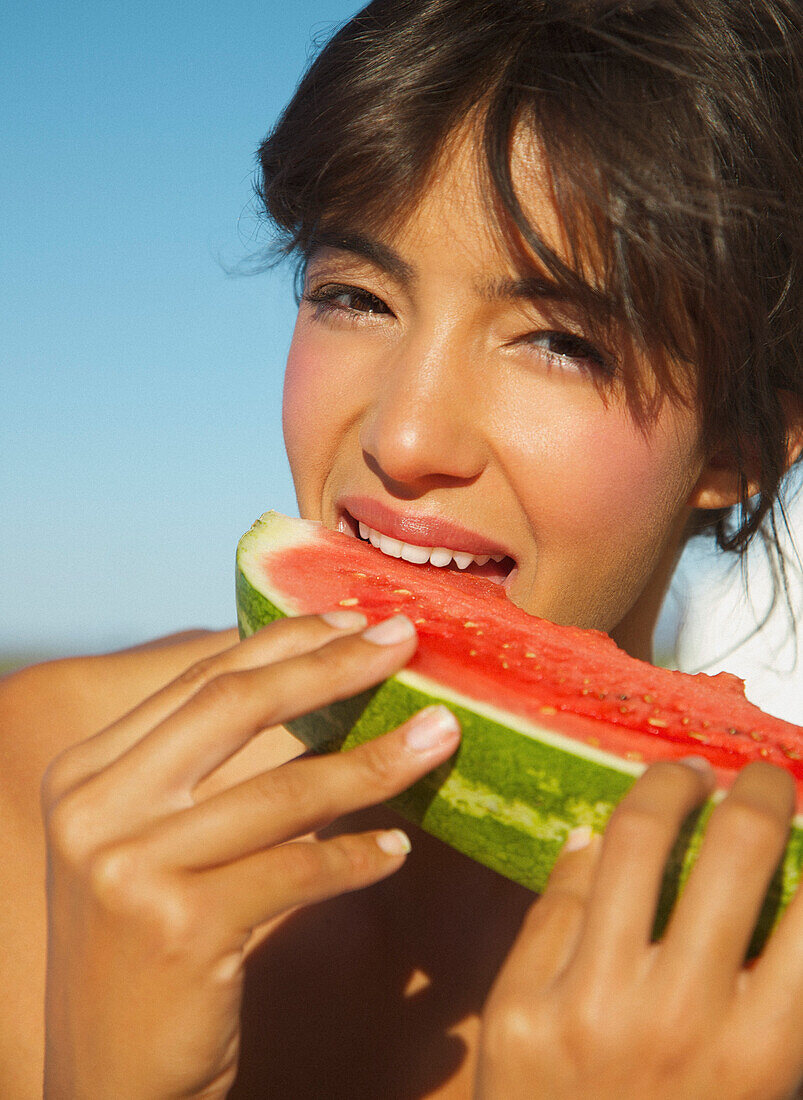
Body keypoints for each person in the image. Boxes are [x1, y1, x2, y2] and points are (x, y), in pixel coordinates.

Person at [2, 1, 802, 1096]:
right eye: (354, 296)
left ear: (742, 442)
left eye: (559, 341)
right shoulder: (40, 790)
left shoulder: (774, 970)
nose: (402, 435)